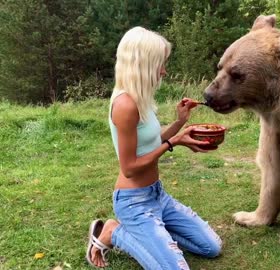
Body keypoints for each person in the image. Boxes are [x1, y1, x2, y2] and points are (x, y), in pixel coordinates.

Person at [85, 26, 222, 270]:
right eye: (160, 63)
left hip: (157, 195)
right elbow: (129, 168)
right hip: (133, 202)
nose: (164, 70)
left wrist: (180, 122)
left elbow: (151, 142)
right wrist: (174, 142)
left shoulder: (141, 98)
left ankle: (155, 233)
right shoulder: (125, 105)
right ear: (144, 63)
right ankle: (113, 231)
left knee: (211, 247)